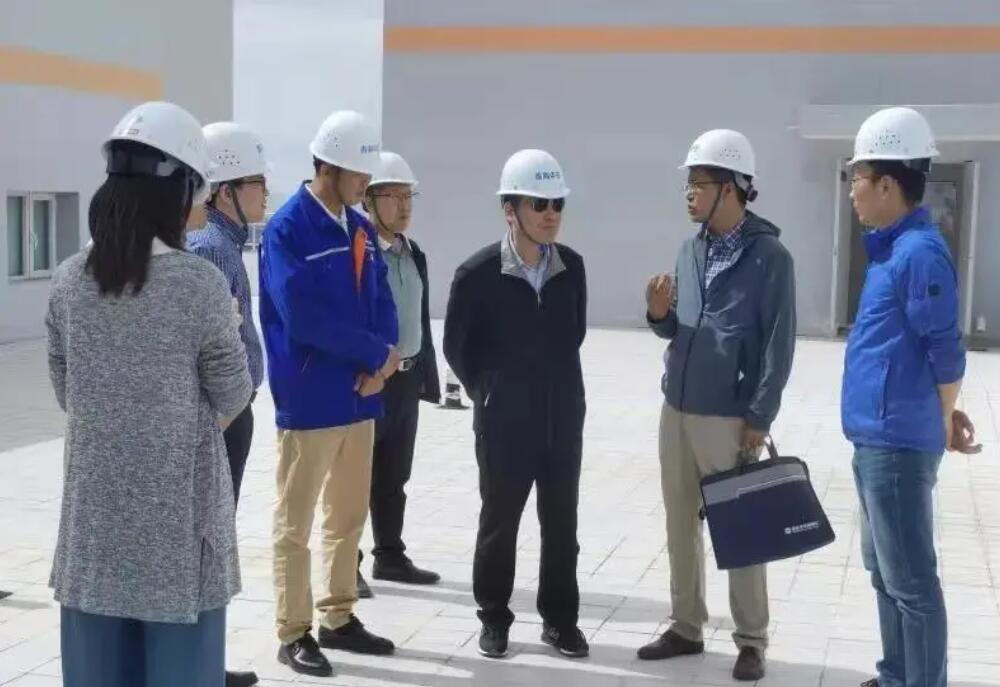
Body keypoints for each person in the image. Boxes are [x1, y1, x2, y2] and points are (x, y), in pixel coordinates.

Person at [46, 101, 252, 687]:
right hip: (179, 537)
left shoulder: (69, 279)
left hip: (94, 529)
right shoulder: (199, 285)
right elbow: (234, 394)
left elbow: (68, 391)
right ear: (179, 191)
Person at [641, 129, 796, 681]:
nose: (689, 193)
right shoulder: (690, 250)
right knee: (679, 522)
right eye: (688, 184)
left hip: (729, 416)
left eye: (699, 183)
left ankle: (751, 640)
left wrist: (760, 416)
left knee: (740, 526)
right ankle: (686, 626)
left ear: (731, 188)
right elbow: (679, 329)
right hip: (677, 408)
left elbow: (778, 343)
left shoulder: (770, 258)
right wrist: (660, 314)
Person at [259, 110, 399, 678]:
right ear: (327, 167)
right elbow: (302, 316)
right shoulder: (287, 229)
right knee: (295, 524)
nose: (365, 183)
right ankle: (293, 631)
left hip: (360, 398)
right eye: (358, 173)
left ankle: (338, 618)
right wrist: (372, 354)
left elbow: (382, 301)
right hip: (311, 396)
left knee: (347, 515)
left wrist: (384, 362)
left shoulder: (359, 227)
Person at [443, 149, 589, 660]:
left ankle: (560, 621)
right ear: (510, 210)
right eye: (539, 204)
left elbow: (574, 334)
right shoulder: (476, 274)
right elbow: (457, 348)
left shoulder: (573, 269)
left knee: (562, 526)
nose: (551, 214)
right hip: (504, 423)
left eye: (557, 204)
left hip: (562, 418)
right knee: (499, 524)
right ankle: (493, 618)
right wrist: (490, 391)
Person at [843, 107, 970, 687]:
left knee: (912, 583)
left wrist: (943, 415)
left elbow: (946, 347)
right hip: (876, 438)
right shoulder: (890, 250)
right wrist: (946, 408)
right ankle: (897, 675)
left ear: (887, 185)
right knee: (884, 573)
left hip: (897, 444)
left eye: (857, 178)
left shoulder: (918, 252)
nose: (852, 190)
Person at [187, 121, 271, 687]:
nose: (265, 192)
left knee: (213, 543)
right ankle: (198, 667)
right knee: (207, 546)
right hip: (223, 417)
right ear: (224, 192)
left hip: (232, 412)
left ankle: (201, 664)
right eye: (256, 182)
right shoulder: (211, 250)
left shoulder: (225, 245)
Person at [355, 151, 442, 595]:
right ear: (368, 200)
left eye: (408, 197)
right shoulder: (358, 250)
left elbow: (419, 318)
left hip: (406, 378)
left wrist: (426, 374)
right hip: (371, 379)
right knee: (355, 476)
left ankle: (389, 555)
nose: (404, 206)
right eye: (393, 196)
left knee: (394, 475)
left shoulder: (414, 253)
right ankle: (345, 562)